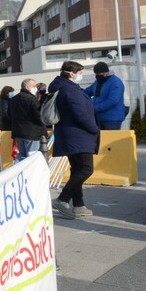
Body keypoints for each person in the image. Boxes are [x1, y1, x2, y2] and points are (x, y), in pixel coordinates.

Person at [49, 61, 100, 219]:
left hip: (70, 135)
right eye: (79, 73)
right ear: (71, 74)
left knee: (77, 170)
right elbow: (81, 114)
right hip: (78, 135)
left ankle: (79, 205)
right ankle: (62, 199)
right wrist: (94, 129)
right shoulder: (71, 90)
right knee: (86, 169)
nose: (81, 76)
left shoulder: (61, 87)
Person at [9, 78, 47, 163]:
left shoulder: (14, 99)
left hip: (18, 132)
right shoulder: (31, 99)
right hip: (32, 132)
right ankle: (31, 175)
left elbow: (9, 115)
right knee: (32, 156)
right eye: (34, 86)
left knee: (21, 155)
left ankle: (16, 172)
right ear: (27, 87)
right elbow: (38, 116)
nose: (36, 88)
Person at [83, 61, 126, 130]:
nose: (97, 76)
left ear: (106, 73)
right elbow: (87, 92)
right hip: (99, 118)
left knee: (111, 140)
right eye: (96, 74)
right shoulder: (98, 82)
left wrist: (94, 109)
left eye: (99, 74)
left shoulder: (115, 82)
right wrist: (77, 91)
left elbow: (113, 100)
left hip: (112, 119)